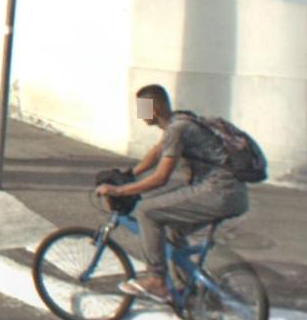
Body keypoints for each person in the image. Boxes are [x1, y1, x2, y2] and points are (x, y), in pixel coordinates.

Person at [93, 83, 247, 303]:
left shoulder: (177, 129)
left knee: (146, 211)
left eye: (142, 108)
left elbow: (161, 178)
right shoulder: (179, 122)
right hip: (230, 193)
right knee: (174, 229)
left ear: (154, 109)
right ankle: (189, 290)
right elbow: (157, 152)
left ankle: (157, 280)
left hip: (218, 191)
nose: (140, 115)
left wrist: (119, 189)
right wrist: (130, 174)